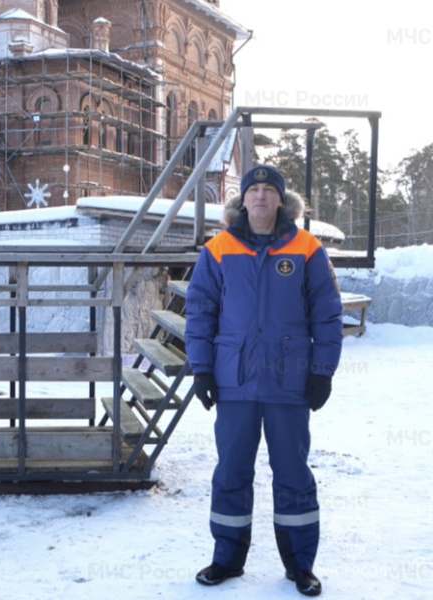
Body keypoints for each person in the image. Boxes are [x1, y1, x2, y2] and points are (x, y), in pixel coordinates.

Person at [185, 164, 343, 597]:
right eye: (252, 189)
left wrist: (322, 372)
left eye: (267, 190)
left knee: (292, 473)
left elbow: (327, 315)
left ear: (280, 200)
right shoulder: (218, 249)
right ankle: (226, 559)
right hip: (234, 379)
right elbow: (200, 313)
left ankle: (300, 566)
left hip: (289, 382)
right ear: (243, 199)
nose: (259, 197)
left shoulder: (307, 248)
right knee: (231, 471)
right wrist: (200, 368)